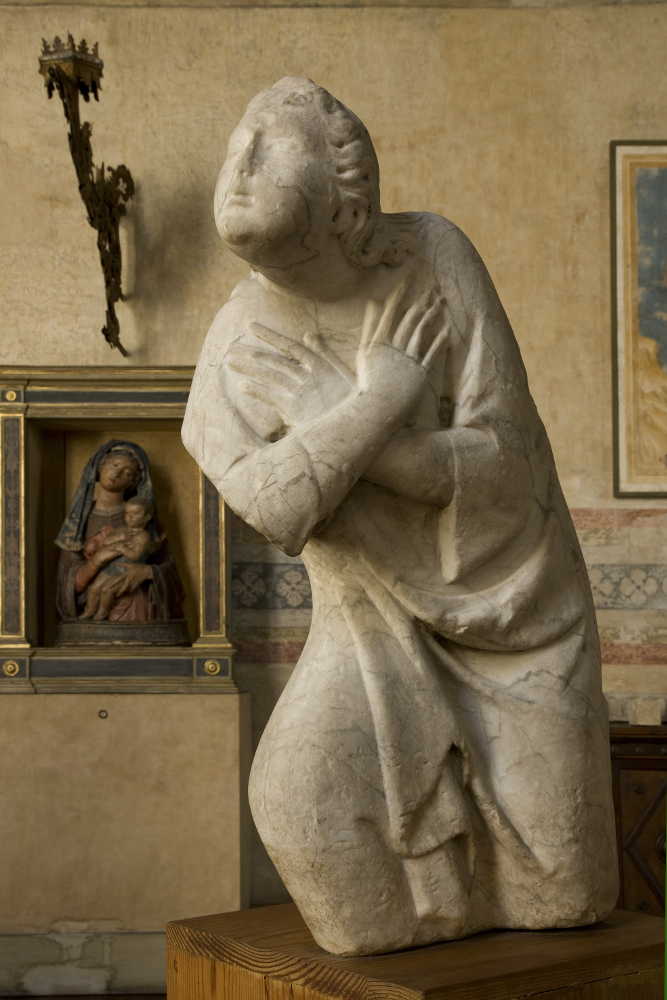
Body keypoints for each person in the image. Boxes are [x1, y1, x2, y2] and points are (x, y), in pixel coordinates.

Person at [182, 77, 618, 956]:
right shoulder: (238, 338)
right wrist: (376, 403)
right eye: (234, 145)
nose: (242, 161)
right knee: (300, 808)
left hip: (519, 625)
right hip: (362, 624)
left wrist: (342, 435)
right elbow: (275, 508)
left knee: (562, 891)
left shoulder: (431, 257)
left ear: (347, 190)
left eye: (273, 144)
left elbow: (505, 465)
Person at [56, 440, 184, 626]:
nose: (116, 473)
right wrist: (97, 561)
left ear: (133, 482)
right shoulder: (78, 522)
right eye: (114, 464)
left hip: (136, 608)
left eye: (127, 472)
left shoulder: (144, 520)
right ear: (101, 466)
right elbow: (67, 584)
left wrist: (147, 571)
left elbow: (170, 572)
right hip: (92, 604)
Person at [79, 497, 156, 621]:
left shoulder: (143, 536)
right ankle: (89, 612)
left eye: (135, 513)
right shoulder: (121, 530)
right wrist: (119, 537)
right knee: (94, 589)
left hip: (126, 571)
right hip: (112, 567)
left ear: (147, 517)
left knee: (107, 590)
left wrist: (122, 548)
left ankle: (101, 613)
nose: (129, 517)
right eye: (127, 513)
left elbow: (135, 556)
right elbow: (106, 541)